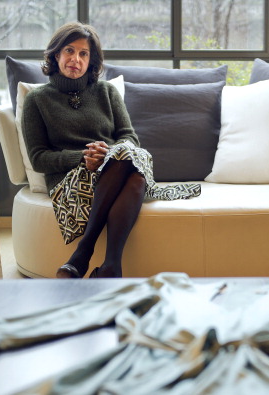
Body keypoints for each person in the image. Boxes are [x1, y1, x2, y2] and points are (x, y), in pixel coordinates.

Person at [21, 22, 199, 279]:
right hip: (72, 181)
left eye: (84, 54)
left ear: (91, 61)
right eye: (69, 51)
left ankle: (92, 258)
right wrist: (83, 158)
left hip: (115, 165)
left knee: (129, 158)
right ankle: (105, 263)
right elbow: (39, 158)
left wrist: (107, 154)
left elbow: (129, 137)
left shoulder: (107, 92)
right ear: (56, 54)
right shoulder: (37, 100)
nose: (76, 59)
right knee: (133, 172)